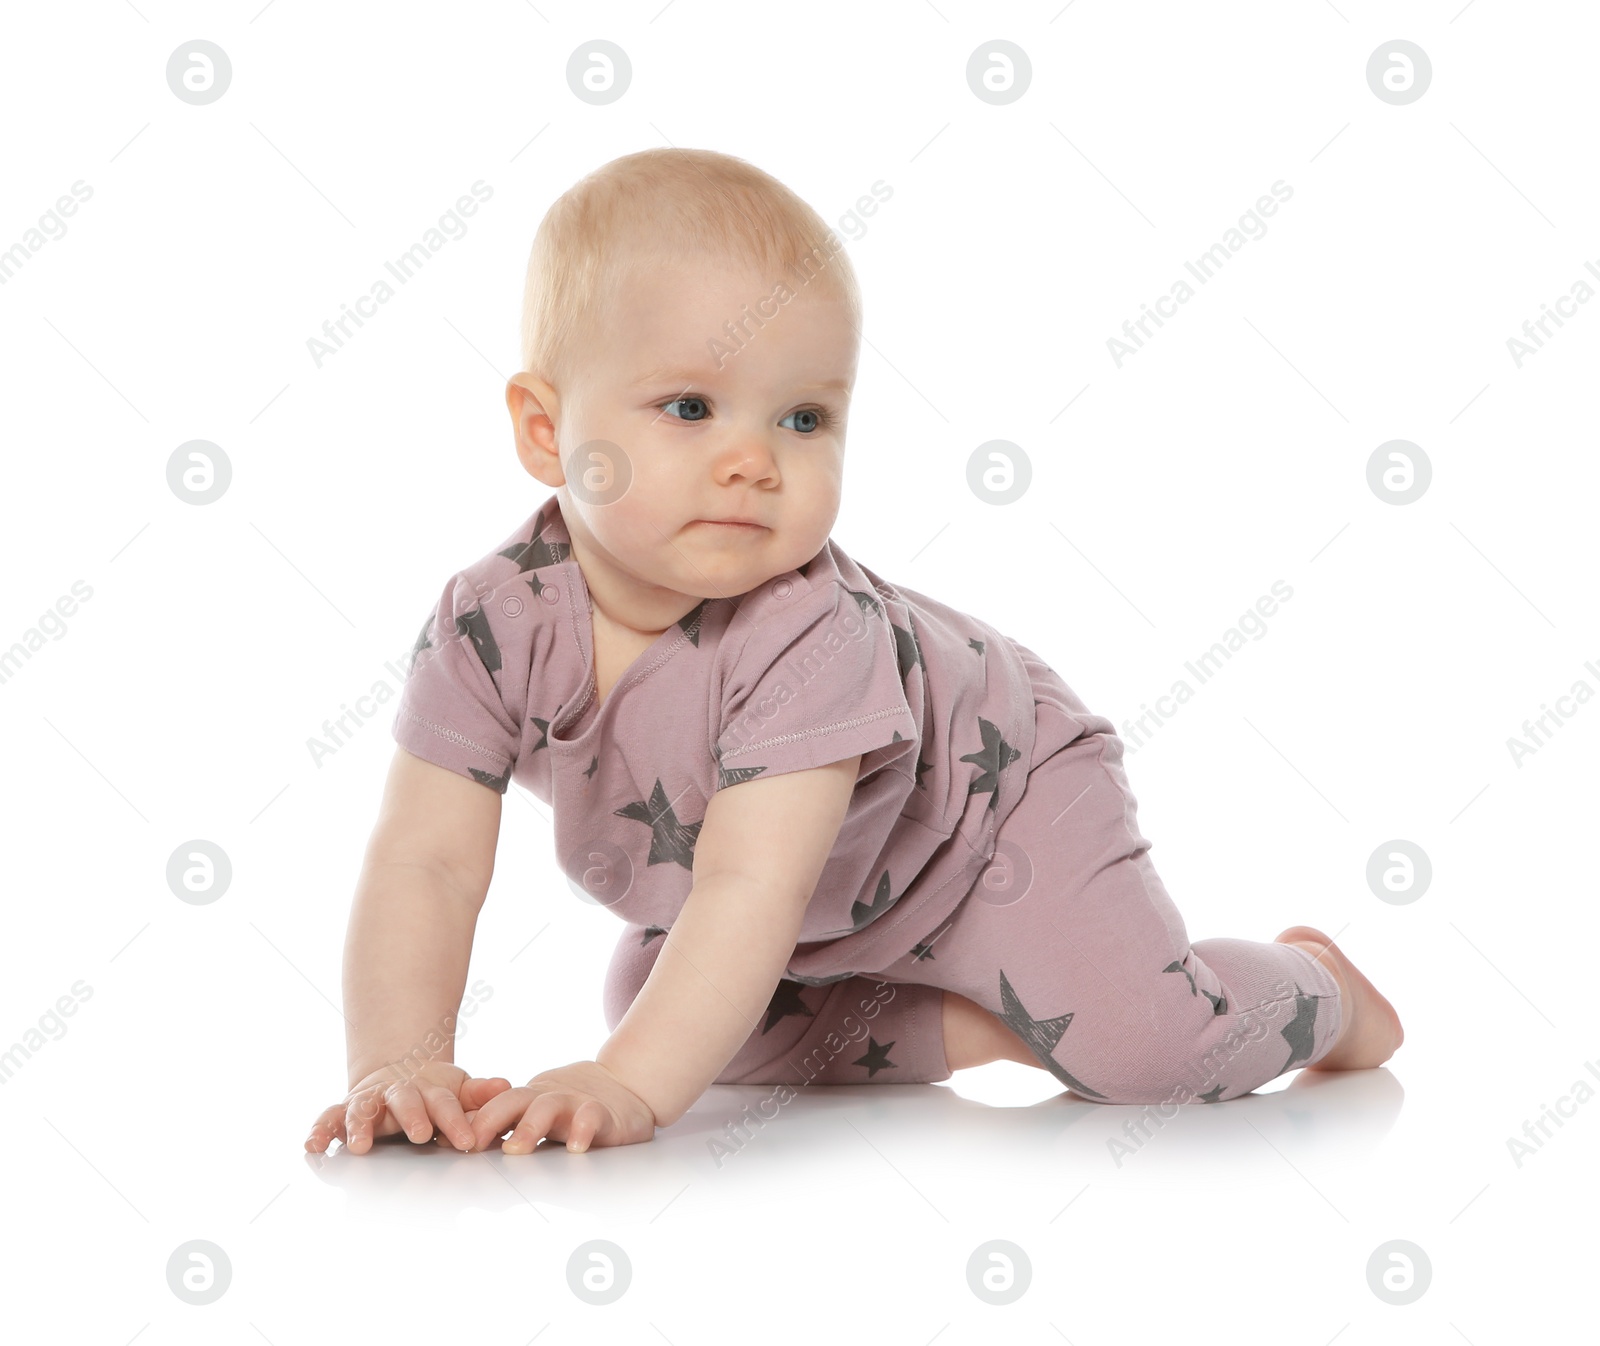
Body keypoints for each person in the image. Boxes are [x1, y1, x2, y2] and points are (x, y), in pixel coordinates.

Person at [304, 148, 1402, 1158]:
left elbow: (747, 885)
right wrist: (400, 1066)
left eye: (802, 419)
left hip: (1000, 808)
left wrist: (626, 1085)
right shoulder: (491, 624)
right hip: (830, 903)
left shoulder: (809, 631)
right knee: (676, 1012)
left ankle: (1319, 989)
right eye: (690, 406)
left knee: (1153, 1051)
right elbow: (425, 859)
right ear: (547, 431)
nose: (753, 460)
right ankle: (995, 1025)